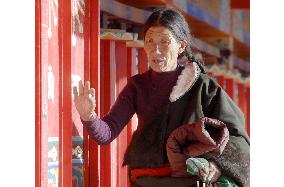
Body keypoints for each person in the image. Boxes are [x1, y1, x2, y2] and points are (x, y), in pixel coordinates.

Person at [73, 8, 250, 187]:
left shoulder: (202, 87)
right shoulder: (137, 86)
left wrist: (217, 165)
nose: (156, 50)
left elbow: (238, 138)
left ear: (181, 46)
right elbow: (107, 133)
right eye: (149, 41)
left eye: (164, 42)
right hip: (145, 180)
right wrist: (89, 116)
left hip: (188, 180)